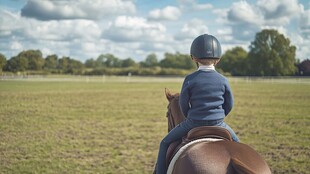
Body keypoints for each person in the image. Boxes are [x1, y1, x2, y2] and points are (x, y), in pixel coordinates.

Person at [155, 34, 239, 174]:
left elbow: (183, 104)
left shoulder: (190, 79)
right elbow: (229, 103)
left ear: (193, 58)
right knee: (238, 146)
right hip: (218, 123)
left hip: (193, 122)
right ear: (218, 59)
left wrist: (191, 117)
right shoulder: (223, 80)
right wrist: (219, 116)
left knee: (164, 143)